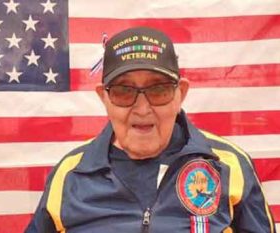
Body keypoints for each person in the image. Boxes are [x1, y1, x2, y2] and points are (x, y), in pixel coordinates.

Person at [26, 27, 276, 233]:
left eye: (159, 90)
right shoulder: (71, 175)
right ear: (104, 98)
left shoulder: (228, 165)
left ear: (181, 94)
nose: (142, 108)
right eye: (124, 91)